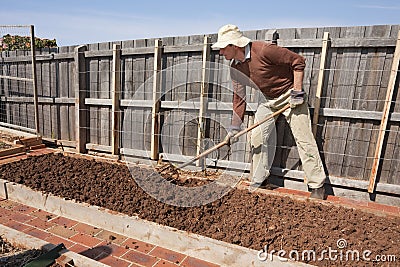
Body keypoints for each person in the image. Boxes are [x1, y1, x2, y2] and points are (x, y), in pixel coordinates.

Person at [212, 24, 326, 199]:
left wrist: (297, 91)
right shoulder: (235, 68)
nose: (221, 52)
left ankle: (317, 185)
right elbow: (239, 98)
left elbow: (298, 61)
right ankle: (260, 179)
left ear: (234, 46)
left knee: (304, 138)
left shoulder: (264, 50)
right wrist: (234, 128)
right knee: (257, 136)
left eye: (222, 48)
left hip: (290, 95)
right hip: (267, 100)